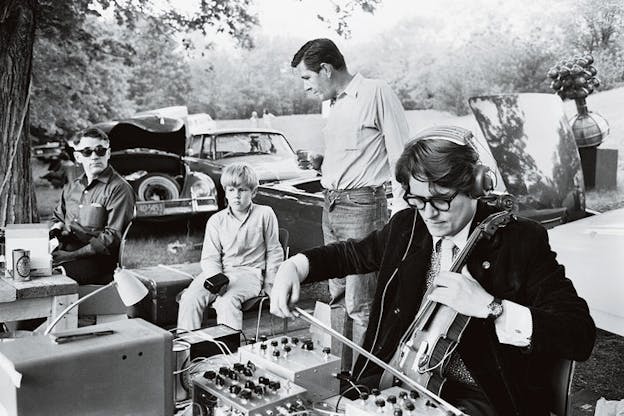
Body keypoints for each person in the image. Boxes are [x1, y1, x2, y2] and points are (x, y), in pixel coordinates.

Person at [270, 126, 595, 416]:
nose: (429, 214)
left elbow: (578, 334)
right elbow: (352, 254)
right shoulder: (408, 225)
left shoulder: (521, 241)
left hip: (476, 396)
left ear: (475, 185)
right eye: (417, 200)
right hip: (396, 379)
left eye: (440, 200)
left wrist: (490, 308)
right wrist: (295, 266)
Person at [290, 38, 410, 351]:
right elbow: (351, 157)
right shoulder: (331, 105)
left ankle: (364, 383)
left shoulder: (376, 91)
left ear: (326, 69)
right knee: (339, 298)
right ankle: (340, 379)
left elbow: (401, 154)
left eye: (307, 78)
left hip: (363, 208)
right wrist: (321, 162)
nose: (305, 87)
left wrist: (402, 212)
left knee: (361, 304)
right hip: (331, 204)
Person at [177, 162, 283, 331]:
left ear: (253, 192)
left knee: (226, 302)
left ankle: (229, 353)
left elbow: (274, 251)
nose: (236, 196)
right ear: (225, 192)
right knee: (189, 299)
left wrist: (270, 283)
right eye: (231, 190)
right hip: (219, 273)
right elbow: (210, 257)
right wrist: (217, 279)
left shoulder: (265, 214)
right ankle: (188, 349)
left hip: (250, 274)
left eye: (242, 190)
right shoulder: (216, 220)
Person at [50, 127, 135, 285]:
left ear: (108, 154)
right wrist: (54, 233)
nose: (95, 156)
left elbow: (111, 239)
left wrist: (70, 256)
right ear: (78, 157)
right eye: (87, 152)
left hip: (98, 261)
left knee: (53, 279)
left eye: (100, 150)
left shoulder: (119, 188)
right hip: (64, 249)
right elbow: (57, 217)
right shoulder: (72, 187)